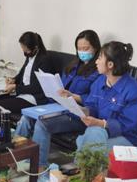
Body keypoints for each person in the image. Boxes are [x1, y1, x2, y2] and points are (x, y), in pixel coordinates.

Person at [15, 30, 102, 168]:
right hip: (58, 106)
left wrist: (73, 96)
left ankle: (37, 166)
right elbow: (60, 86)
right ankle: (16, 157)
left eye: (86, 48)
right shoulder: (73, 66)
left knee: (42, 124)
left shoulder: (99, 71)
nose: (82, 52)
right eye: (79, 49)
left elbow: (95, 101)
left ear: (96, 48)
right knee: (26, 118)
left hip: (77, 114)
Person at [75, 41, 137, 153]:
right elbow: (93, 106)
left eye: (99, 58)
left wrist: (101, 124)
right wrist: (84, 111)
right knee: (91, 138)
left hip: (129, 137)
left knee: (88, 142)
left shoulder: (133, 90)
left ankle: (81, 163)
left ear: (110, 65)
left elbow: (127, 125)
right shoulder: (100, 81)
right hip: (102, 131)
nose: (96, 61)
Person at [0, 31, 54, 121]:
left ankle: (1, 130)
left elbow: (37, 87)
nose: (24, 51)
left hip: (33, 97)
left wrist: (15, 87)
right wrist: (13, 80)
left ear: (35, 48)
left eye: (25, 49)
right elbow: (22, 74)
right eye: (22, 48)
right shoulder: (30, 56)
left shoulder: (44, 60)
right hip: (22, 92)